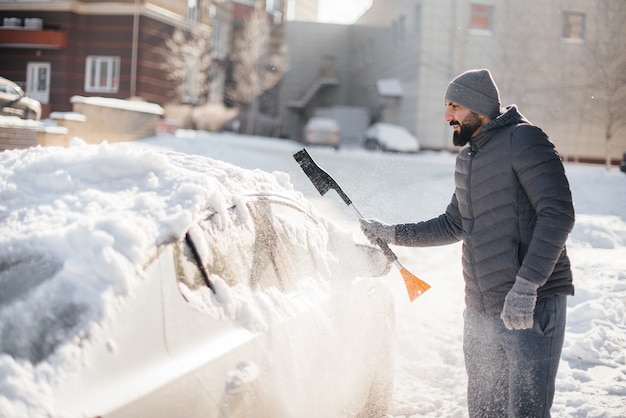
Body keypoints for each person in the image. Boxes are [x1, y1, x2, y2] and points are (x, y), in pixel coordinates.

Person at [360, 68, 575, 417]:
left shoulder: (524, 139)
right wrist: (393, 233)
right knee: (484, 411)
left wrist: (527, 285)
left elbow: (558, 214)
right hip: (480, 309)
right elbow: (453, 223)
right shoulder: (468, 159)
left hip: (530, 305)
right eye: (446, 106)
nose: (447, 116)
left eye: (454, 106)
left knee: (526, 411)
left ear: (479, 108)